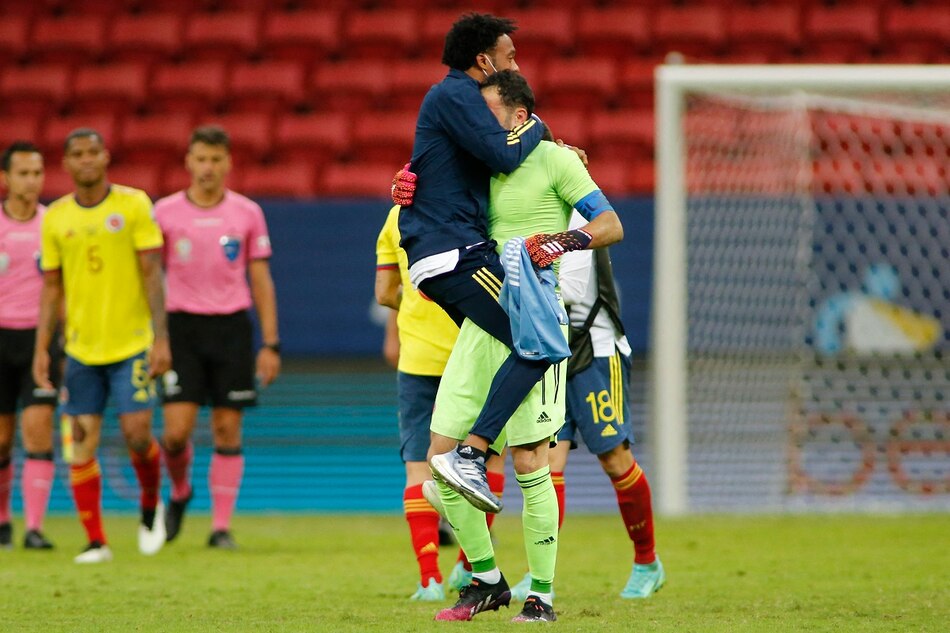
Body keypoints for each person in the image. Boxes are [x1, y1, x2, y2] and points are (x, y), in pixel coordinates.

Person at [430, 70, 623, 623]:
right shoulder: (473, 162)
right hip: (481, 322)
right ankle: (486, 581)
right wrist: (410, 191)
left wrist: (561, 240)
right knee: (441, 461)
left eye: (485, 113)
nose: (474, 125)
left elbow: (609, 223)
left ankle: (542, 595)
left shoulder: (558, 160)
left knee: (529, 462)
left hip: (535, 319)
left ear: (518, 116)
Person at [393, 13, 567, 515]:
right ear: (484, 60)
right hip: (454, 251)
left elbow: (463, 164)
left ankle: (450, 473)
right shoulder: (454, 95)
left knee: (504, 352)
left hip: (450, 251)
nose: (515, 64)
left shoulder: (454, 104)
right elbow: (506, 155)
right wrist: (538, 126)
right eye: (509, 55)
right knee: (540, 340)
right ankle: (468, 453)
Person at [509, 212, 665, 601]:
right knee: (546, 464)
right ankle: (537, 574)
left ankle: (648, 563)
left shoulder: (579, 216)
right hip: (554, 352)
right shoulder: (527, 210)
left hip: (596, 351)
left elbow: (573, 291)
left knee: (615, 459)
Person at [32, 128, 170, 563]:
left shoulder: (133, 205)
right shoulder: (55, 217)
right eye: (78, 153)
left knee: (137, 434)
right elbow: (52, 290)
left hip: (131, 344)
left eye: (94, 151)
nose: (87, 159)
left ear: (106, 157)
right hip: (80, 350)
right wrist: (42, 349)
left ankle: (150, 505)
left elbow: (152, 274)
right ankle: (96, 541)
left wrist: (162, 338)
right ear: (67, 163)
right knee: (80, 441)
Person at [154, 125, 280, 550]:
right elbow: (151, 280)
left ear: (227, 163)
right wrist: (156, 338)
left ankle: (220, 527)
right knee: (175, 432)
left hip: (230, 329)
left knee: (227, 428)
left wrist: (270, 343)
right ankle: (179, 491)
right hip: (181, 328)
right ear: (188, 162)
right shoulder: (165, 213)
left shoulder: (246, 213)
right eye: (200, 159)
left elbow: (261, 280)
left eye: (215, 160)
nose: (208, 167)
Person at [376, 204, 507, 600]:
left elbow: (384, 293)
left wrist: (413, 313)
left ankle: (429, 579)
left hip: (418, 359)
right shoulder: (480, 206)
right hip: (472, 357)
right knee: (486, 464)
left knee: (419, 469)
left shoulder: (397, 216)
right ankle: (470, 565)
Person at [0, 142, 57, 550]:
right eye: (23, 173)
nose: (32, 181)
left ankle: (34, 528)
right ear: (6, 178)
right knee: (2, 440)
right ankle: (3, 519)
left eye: (37, 173)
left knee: (38, 432)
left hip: (40, 340)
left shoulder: (54, 224)